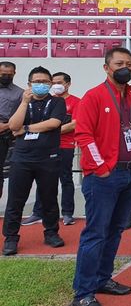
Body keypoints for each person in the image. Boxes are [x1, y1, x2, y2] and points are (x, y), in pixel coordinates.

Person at [72, 47, 131, 306]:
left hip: (130, 174)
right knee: (96, 233)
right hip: (104, 177)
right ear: (106, 68)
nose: (125, 67)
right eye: (118, 63)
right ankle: (83, 293)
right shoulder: (93, 96)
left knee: (115, 231)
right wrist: (100, 166)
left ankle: (103, 278)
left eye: (129, 63)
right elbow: (83, 135)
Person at [2, 66, 67, 256]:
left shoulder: (57, 102)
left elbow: (53, 123)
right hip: (22, 159)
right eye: (37, 82)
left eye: (46, 82)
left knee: (49, 198)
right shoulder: (21, 101)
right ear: (29, 84)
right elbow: (13, 126)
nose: (41, 85)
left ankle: (51, 233)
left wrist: (27, 128)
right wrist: (24, 102)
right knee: (16, 200)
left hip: (48, 158)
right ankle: (11, 238)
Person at [22, 72, 81, 227]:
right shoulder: (48, 101)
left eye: (59, 82)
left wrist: (50, 129)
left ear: (68, 84)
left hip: (65, 146)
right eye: (53, 82)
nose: (55, 85)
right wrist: (46, 129)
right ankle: (37, 212)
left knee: (66, 179)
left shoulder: (76, 102)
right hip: (44, 147)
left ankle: (67, 213)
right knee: (43, 181)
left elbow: (74, 123)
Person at [0, 61, 24, 199]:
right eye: (3, 74)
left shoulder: (19, 93)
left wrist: (6, 126)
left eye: (9, 75)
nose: (6, 77)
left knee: (4, 172)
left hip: (7, 134)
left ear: (14, 74)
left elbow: (22, 115)